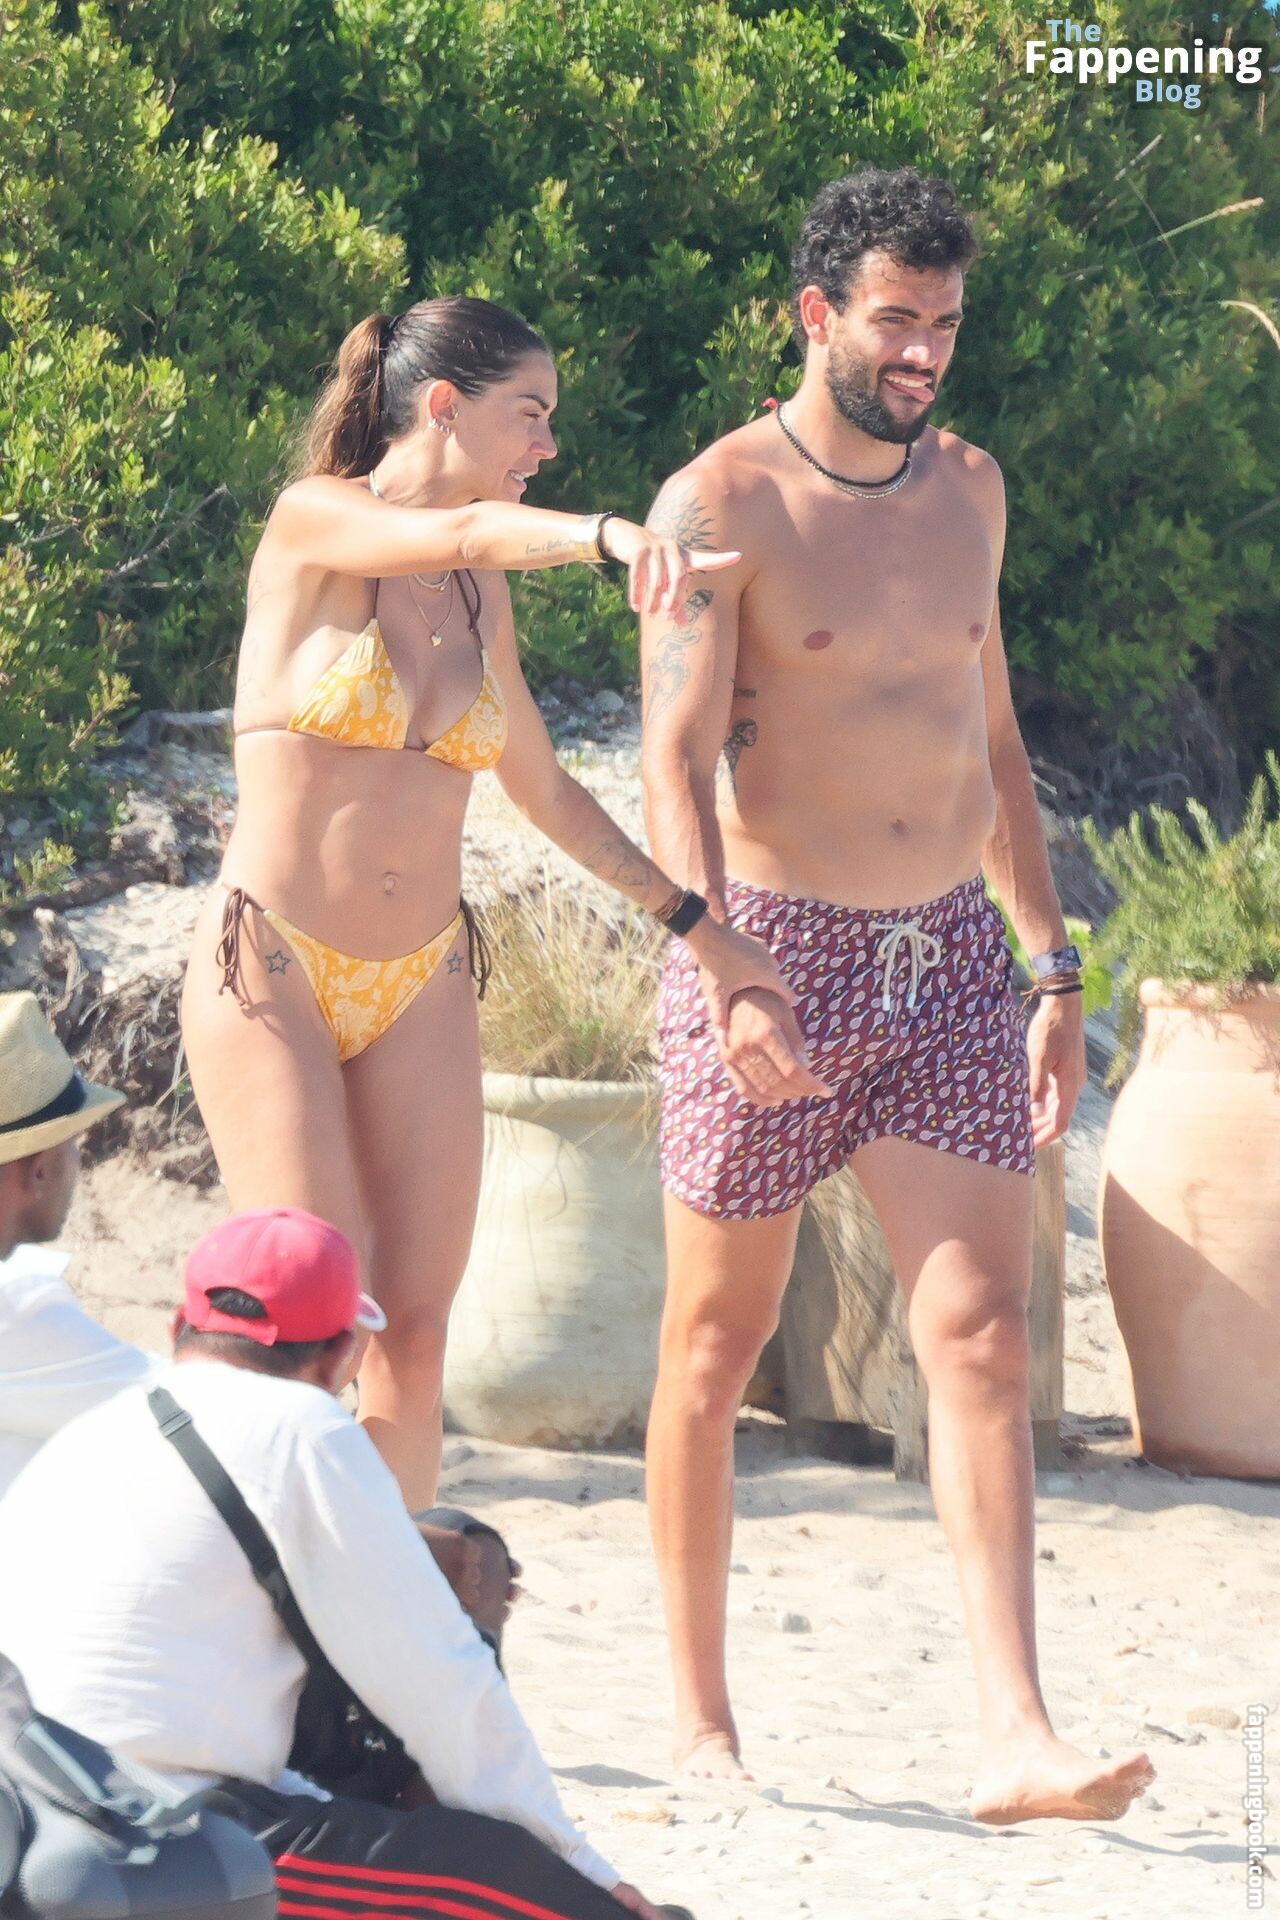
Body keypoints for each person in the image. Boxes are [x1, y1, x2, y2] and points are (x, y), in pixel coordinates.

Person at [639, 166, 1154, 1824]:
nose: (925, 349)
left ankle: (1017, 1733)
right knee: (714, 1346)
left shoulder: (974, 491)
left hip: (945, 962)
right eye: (895, 319)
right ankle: (702, 1728)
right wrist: (718, 959)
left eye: (945, 321)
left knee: (984, 1335)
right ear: (817, 314)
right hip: (772, 958)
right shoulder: (718, 501)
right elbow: (670, 757)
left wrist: (1049, 960)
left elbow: (990, 739)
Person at [181, 294, 795, 1510]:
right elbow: (461, 523)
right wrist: (608, 536)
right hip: (274, 965)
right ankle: (270, 1582)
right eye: (531, 414)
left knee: (412, 1333)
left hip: (420, 977)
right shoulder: (314, 523)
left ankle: (395, 1592)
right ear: (442, 406)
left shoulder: (477, 597)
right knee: (311, 1319)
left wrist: (701, 932)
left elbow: (545, 792)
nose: (548, 446)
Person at [0, 1208, 675, 1920]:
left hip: (29, 1804)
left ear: (179, 1328)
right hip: (147, 1832)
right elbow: (441, 1684)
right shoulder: (302, 1425)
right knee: (544, 1894)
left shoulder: (97, 1424)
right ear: (341, 1355)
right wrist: (579, 1867)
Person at [0, 990, 157, 1497]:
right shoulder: (16, 1306)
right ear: (39, 1169)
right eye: (73, 1141)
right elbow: (195, 1412)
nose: (78, 1160)